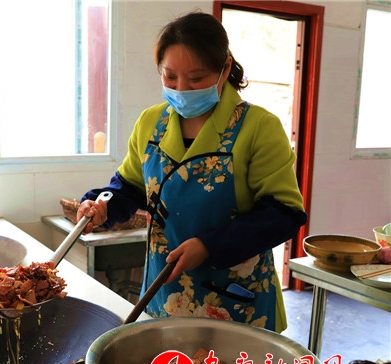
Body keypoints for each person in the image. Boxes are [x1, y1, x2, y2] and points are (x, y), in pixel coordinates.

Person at [77, 12, 307, 333]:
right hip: (163, 294)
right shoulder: (151, 122)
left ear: (224, 69)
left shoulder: (258, 127)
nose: (182, 89)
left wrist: (210, 245)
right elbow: (130, 187)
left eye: (196, 79)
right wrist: (102, 206)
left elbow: (285, 213)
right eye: (170, 77)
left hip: (234, 300)